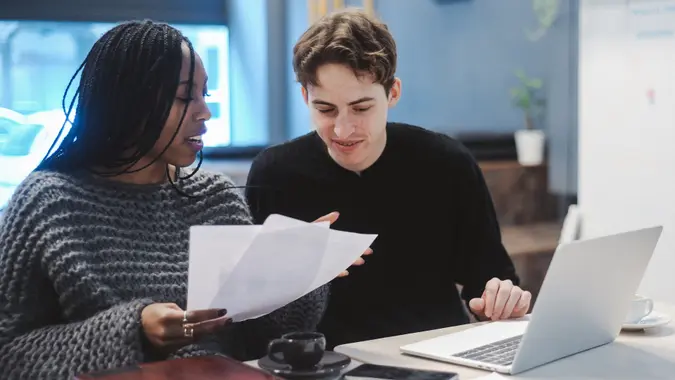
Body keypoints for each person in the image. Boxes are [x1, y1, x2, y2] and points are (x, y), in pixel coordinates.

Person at [0, 20, 365, 379]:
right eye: (183, 96)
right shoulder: (47, 203)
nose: (204, 111)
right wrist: (135, 329)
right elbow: (10, 355)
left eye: (204, 94)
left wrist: (300, 270)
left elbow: (260, 340)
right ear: (126, 100)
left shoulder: (216, 199)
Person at [245, 9, 531, 349]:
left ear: (392, 93)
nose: (342, 129)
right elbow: (250, 312)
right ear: (306, 97)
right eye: (325, 109)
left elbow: (489, 278)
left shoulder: (447, 163)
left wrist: (501, 299)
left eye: (361, 107)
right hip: (326, 363)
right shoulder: (274, 173)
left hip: (434, 357)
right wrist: (292, 270)